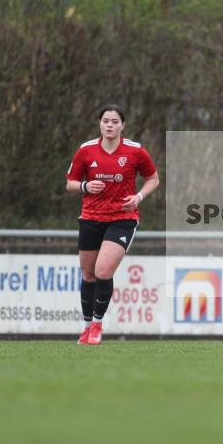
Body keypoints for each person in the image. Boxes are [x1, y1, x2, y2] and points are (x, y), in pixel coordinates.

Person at [66, 104, 159, 345]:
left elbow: (153, 179)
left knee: (103, 271)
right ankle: (86, 327)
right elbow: (71, 183)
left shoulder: (135, 151)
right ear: (100, 123)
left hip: (122, 219)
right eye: (106, 120)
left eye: (115, 121)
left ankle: (97, 324)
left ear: (122, 125)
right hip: (90, 218)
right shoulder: (86, 151)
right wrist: (85, 186)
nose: (110, 125)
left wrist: (138, 197)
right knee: (88, 275)